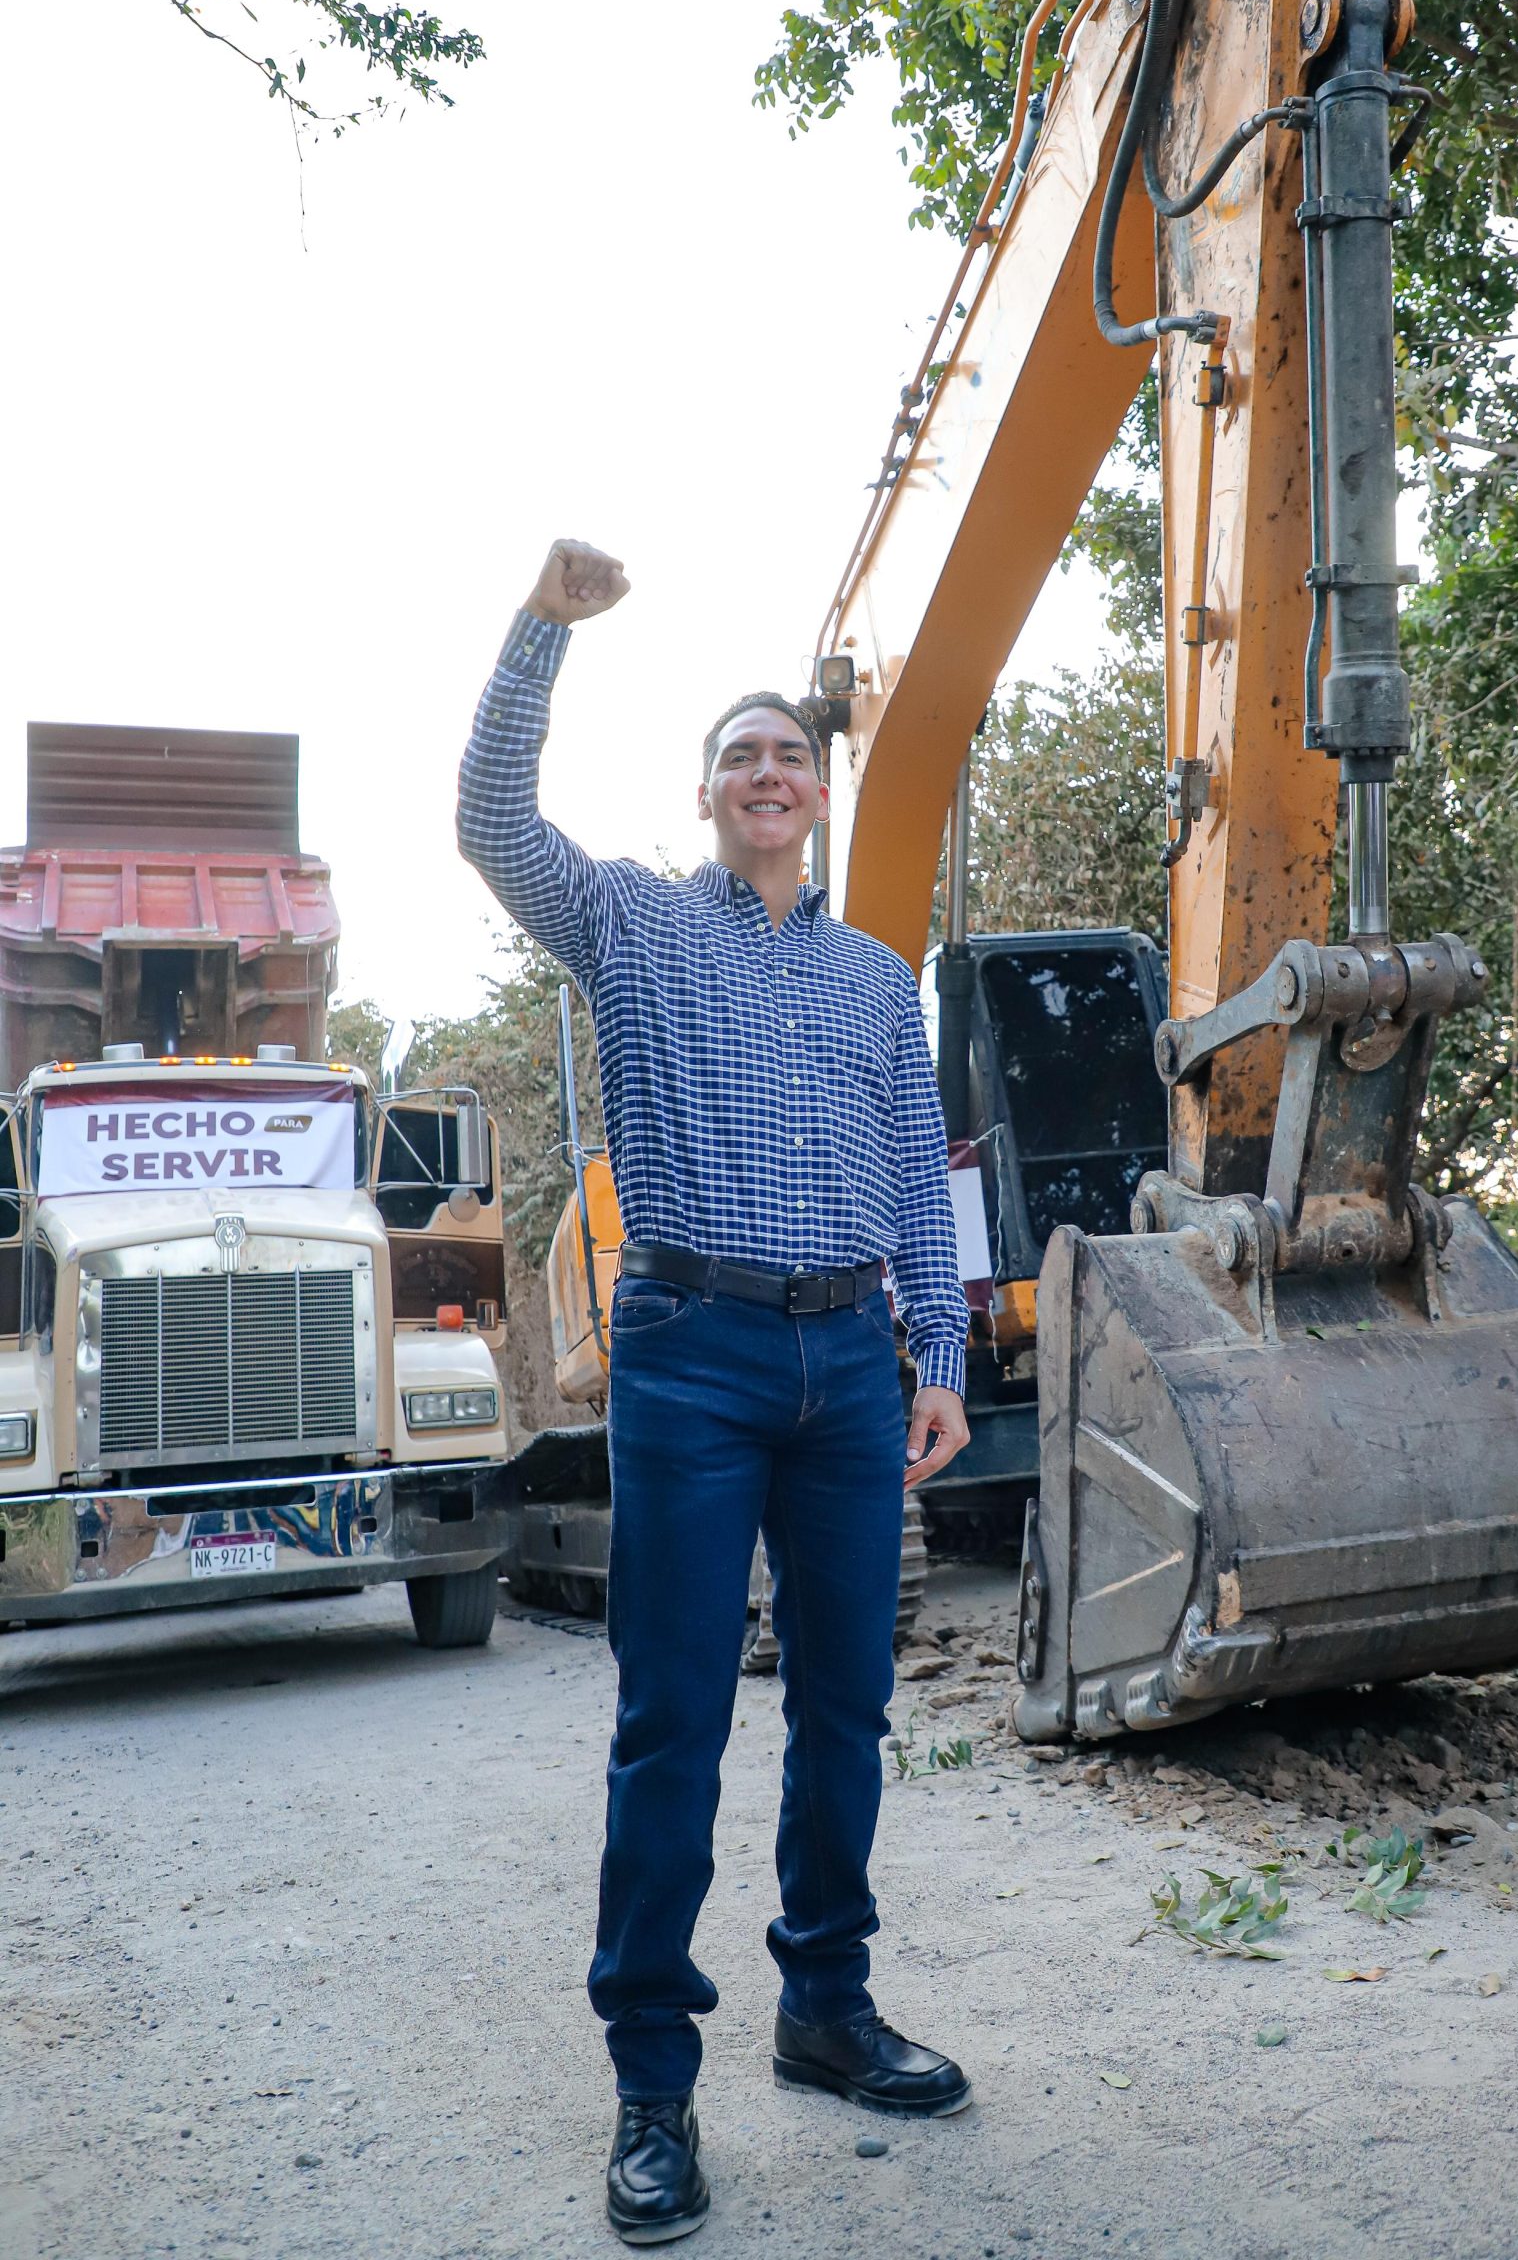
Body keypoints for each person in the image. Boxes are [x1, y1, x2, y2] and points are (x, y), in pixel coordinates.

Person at [458, 538, 975, 2245]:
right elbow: (488, 823)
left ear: (819, 797)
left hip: (849, 1362)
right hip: (691, 1350)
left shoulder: (869, 975)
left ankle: (825, 2007)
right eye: (742, 755)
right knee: (673, 1717)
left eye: (792, 756)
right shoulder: (629, 924)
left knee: (846, 1708)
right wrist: (545, 629)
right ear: (706, 796)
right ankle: (653, 2089)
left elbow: (916, 1179)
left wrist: (943, 1364)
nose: (771, 773)